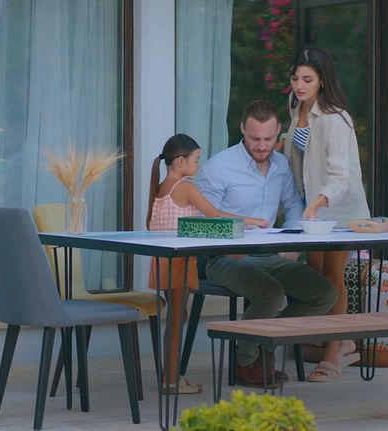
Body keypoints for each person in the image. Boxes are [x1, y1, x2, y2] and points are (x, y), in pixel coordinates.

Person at [197, 100, 336, 389]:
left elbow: (294, 205)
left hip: (270, 255)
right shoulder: (219, 167)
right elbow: (203, 220)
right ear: (242, 130)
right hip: (225, 257)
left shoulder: (281, 165)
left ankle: (264, 344)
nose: (262, 146)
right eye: (255, 139)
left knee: (324, 293)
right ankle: (246, 361)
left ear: (278, 132)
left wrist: (293, 241)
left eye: (268, 139)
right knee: (270, 293)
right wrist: (240, 225)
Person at [146, 133, 267, 394]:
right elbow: (215, 214)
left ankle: (173, 376)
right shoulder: (185, 187)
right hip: (179, 261)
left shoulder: (161, 187)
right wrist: (251, 221)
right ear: (181, 161)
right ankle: (170, 382)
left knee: (178, 317)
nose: (198, 165)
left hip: (163, 261)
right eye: (196, 159)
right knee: (176, 321)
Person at [284, 46, 371, 382]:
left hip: (335, 210)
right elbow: (302, 157)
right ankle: (341, 340)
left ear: (322, 80)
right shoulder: (296, 107)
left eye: (307, 79)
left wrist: (317, 203)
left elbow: (340, 175)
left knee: (332, 277)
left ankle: (335, 353)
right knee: (314, 275)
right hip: (311, 211)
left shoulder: (335, 118)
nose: (299, 85)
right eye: (295, 78)